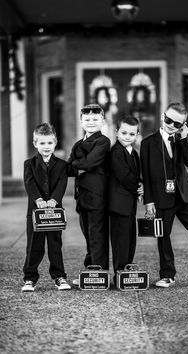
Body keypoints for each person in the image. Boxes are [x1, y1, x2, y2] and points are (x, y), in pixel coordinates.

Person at [140, 102, 188, 289]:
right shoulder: (147, 143)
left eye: (177, 124)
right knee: (163, 236)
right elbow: (146, 175)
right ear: (162, 116)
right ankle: (167, 275)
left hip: (184, 196)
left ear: (182, 125)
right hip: (161, 197)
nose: (171, 125)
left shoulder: (181, 140)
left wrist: (184, 138)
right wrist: (148, 201)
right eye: (168, 120)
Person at [22, 123, 71, 292]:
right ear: (35, 143)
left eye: (49, 143)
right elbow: (29, 183)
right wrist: (38, 199)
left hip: (54, 212)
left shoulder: (62, 165)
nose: (46, 146)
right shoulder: (29, 164)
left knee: (55, 244)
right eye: (42, 143)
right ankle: (29, 278)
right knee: (34, 245)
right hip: (35, 212)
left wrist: (54, 199)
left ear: (55, 142)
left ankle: (59, 276)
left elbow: (61, 183)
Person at [68, 104, 110, 275]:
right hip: (82, 196)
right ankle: (90, 268)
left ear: (102, 121)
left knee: (97, 235)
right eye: (87, 119)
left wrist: (80, 164)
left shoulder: (103, 141)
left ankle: (100, 272)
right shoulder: (78, 144)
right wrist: (80, 166)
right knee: (88, 235)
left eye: (95, 119)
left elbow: (89, 162)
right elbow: (69, 169)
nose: (91, 122)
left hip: (97, 195)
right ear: (81, 122)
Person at [109, 116, 143, 283]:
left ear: (137, 135)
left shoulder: (133, 153)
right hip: (118, 205)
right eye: (124, 133)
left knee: (130, 239)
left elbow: (136, 175)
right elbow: (124, 176)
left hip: (129, 205)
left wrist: (141, 184)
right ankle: (119, 273)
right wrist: (138, 186)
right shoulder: (115, 152)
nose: (127, 137)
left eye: (132, 133)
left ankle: (126, 270)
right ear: (116, 132)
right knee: (120, 240)